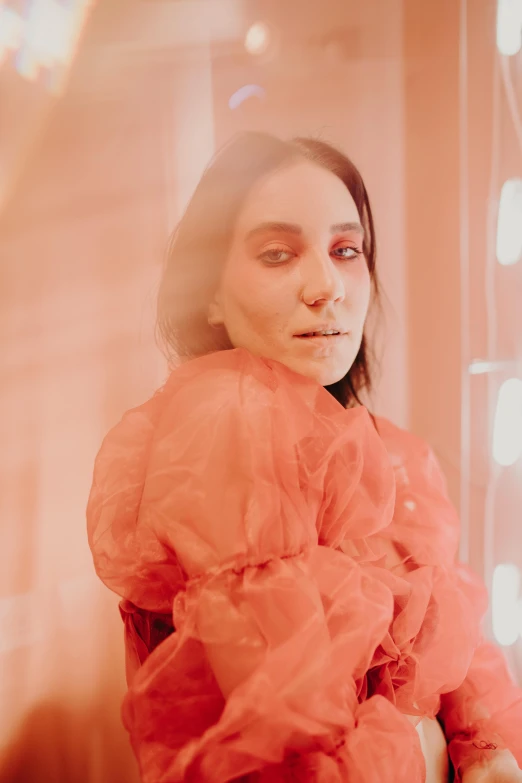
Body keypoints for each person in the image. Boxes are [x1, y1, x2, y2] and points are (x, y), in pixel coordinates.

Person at [87, 132, 522, 782]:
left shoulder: (382, 445)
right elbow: (285, 740)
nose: (327, 285)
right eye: (277, 253)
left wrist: (481, 743)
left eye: (346, 250)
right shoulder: (223, 425)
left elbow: (454, 645)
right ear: (208, 292)